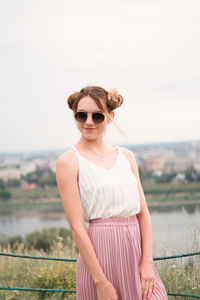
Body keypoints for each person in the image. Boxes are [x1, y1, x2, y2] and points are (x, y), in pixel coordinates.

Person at [56, 86, 168, 300]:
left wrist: (147, 262)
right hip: (100, 259)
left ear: (109, 117)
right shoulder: (68, 162)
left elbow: (143, 214)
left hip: (135, 254)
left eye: (97, 116)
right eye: (82, 115)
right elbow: (77, 227)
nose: (88, 122)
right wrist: (100, 282)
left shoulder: (126, 157)